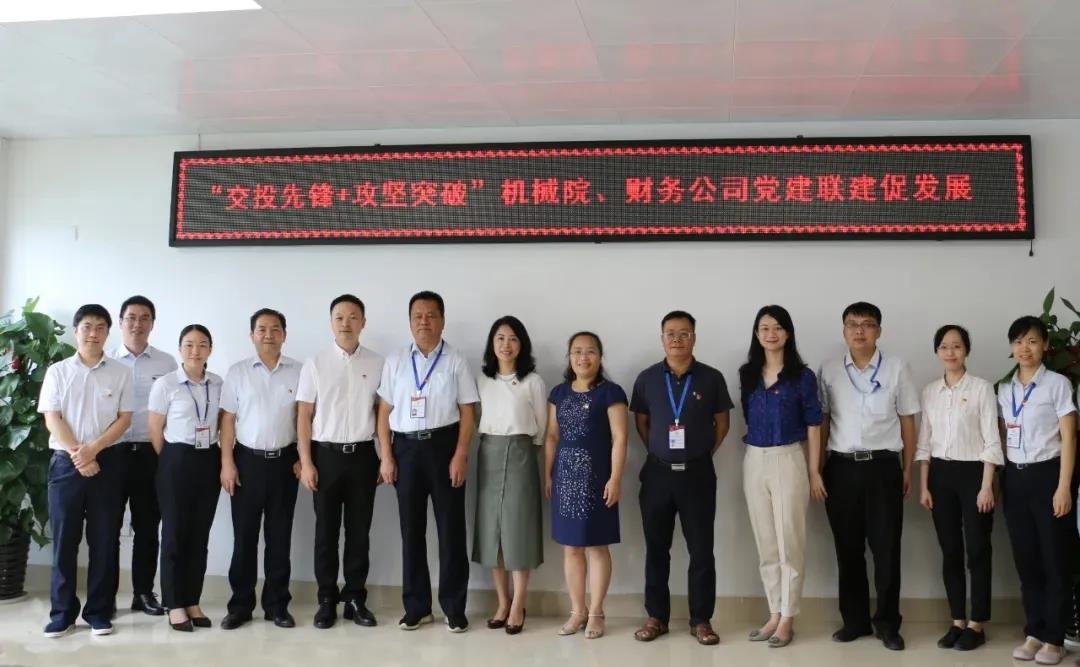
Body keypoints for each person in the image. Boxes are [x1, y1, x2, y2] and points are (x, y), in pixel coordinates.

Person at [817, 302, 918, 651]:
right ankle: (854, 621)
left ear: (879, 330)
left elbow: (907, 420)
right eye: (852, 324)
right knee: (847, 549)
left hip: (884, 467)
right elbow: (823, 422)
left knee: (887, 548)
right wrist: (818, 469)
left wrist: (908, 468)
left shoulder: (897, 367)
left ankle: (888, 624)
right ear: (844, 330)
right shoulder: (829, 370)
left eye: (868, 324)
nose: (859, 330)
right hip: (841, 468)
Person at [376, 291, 479, 633]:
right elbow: (384, 411)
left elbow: (468, 411)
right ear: (410, 322)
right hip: (405, 450)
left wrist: (461, 453)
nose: (424, 321)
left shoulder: (456, 360)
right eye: (418, 315)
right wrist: (386, 456)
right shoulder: (395, 361)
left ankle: (454, 607)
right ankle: (417, 607)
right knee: (411, 531)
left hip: (444, 447)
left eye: (431, 315)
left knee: (451, 530)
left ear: (442, 321)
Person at [629, 311, 731, 646]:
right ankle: (656, 617)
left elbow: (722, 424)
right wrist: (661, 453)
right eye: (670, 333)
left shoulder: (711, 378)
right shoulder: (647, 379)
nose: (677, 339)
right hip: (657, 475)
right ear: (662, 339)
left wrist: (698, 455)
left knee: (701, 551)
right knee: (657, 549)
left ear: (694, 338)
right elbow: (642, 423)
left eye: (684, 333)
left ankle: (701, 620)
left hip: (698, 475)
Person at [39, 304, 134, 637]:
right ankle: (62, 613)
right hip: (66, 464)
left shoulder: (121, 372)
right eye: (87, 327)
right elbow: (52, 417)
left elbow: (124, 418)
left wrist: (93, 450)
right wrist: (79, 454)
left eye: (100, 327)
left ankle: (98, 612)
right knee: (64, 540)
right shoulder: (58, 371)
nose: (93, 333)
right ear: (76, 331)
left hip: (107, 462)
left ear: (108, 332)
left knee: (104, 540)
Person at [297, 295, 384, 629]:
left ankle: (355, 598)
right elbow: (304, 415)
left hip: (363, 456)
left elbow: (382, 413)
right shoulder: (316, 363)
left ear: (363, 322)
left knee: (359, 532)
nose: (346, 323)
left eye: (352, 317)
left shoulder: (377, 363)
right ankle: (326, 600)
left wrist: (383, 456)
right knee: (326, 533)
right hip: (325, 456)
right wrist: (306, 462)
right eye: (339, 317)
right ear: (331, 322)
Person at [737, 305, 821, 648]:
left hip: (789, 458)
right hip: (754, 459)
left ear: (788, 333)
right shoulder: (747, 374)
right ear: (757, 334)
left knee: (790, 543)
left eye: (777, 327)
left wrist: (814, 471)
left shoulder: (802, 376)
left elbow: (814, 424)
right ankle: (773, 612)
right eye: (764, 328)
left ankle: (788, 617)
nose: (771, 334)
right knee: (766, 543)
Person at [915, 325, 1002, 651]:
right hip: (940, 475)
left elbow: (992, 440)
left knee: (977, 549)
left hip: (974, 474)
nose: (950, 352)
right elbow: (925, 442)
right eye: (944, 346)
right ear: (937, 351)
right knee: (950, 550)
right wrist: (924, 486)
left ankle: (977, 623)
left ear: (966, 350)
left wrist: (986, 486)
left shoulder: (981, 388)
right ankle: (957, 621)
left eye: (956, 346)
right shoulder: (930, 391)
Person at [999, 316, 1077, 665]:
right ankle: (1034, 631)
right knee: (1026, 559)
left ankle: (1054, 639)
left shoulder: (1057, 384)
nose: (1024, 348)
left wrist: (1064, 487)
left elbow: (1069, 438)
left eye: (1032, 341)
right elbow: (1003, 434)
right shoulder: (1005, 389)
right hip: (1015, 478)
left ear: (1045, 345)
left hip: (1049, 476)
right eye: (1018, 341)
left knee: (1054, 560)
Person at [219, 308, 302, 630]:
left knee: (279, 538)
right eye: (262, 329)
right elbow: (227, 420)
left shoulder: (299, 371)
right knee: (244, 538)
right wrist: (227, 463)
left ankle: (277, 606)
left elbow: (306, 418)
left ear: (285, 334)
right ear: (252, 335)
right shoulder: (238, 372)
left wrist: (303, 457)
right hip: (246, 462)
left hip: (285, 462)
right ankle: (240, 606)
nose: (269, 334)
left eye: (275, 328)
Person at [545, 331, 628, 640]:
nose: (583, 357)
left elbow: (620, 437)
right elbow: (551, 436)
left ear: (600, 356)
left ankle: (596, 612)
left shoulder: (611, 392)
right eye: (577, 351)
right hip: (565, 479)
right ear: (569, 357)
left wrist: (615, 478)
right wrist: (547, 475)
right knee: (571, 548)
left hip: (597, 480)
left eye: (590, 351)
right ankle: (577, 611)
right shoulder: (558, 393)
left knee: (596, 546)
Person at [473, 316, 546, 636]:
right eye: (500, 338)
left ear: (522, 344)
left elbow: (542, 427)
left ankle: (519, 604)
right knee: (493, 533)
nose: (506, 344)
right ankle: (502, 603)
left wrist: (526, 451)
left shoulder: (533, 381)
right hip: (489, 453)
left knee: (519, 529)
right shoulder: (482, 380)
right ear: (492, 343)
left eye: (513, 338)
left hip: (521, 454)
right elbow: (475, 417)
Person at [148, 325, 222, 632]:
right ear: (180, 349)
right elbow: (155, 430)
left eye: (202, 344)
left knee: (199, 535)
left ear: (210, 349)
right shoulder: (166, 384)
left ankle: (192, 600)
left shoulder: (218, 383)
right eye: (189, 344)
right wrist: (172, 460)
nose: (195, 350)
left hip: (209, 459)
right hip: (176, 459)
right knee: (175, 534)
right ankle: (174, 603)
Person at [108, 295, 176, 617]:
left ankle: (143, 593)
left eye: (144, 318)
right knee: (107, 529)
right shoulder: (106, 360)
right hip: (112, 453)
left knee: (148, 527)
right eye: (131, 317)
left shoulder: (166, 363)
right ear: (121, 322)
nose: (137, 324)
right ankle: (105, 595)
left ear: (152, 323)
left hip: (151, 454)